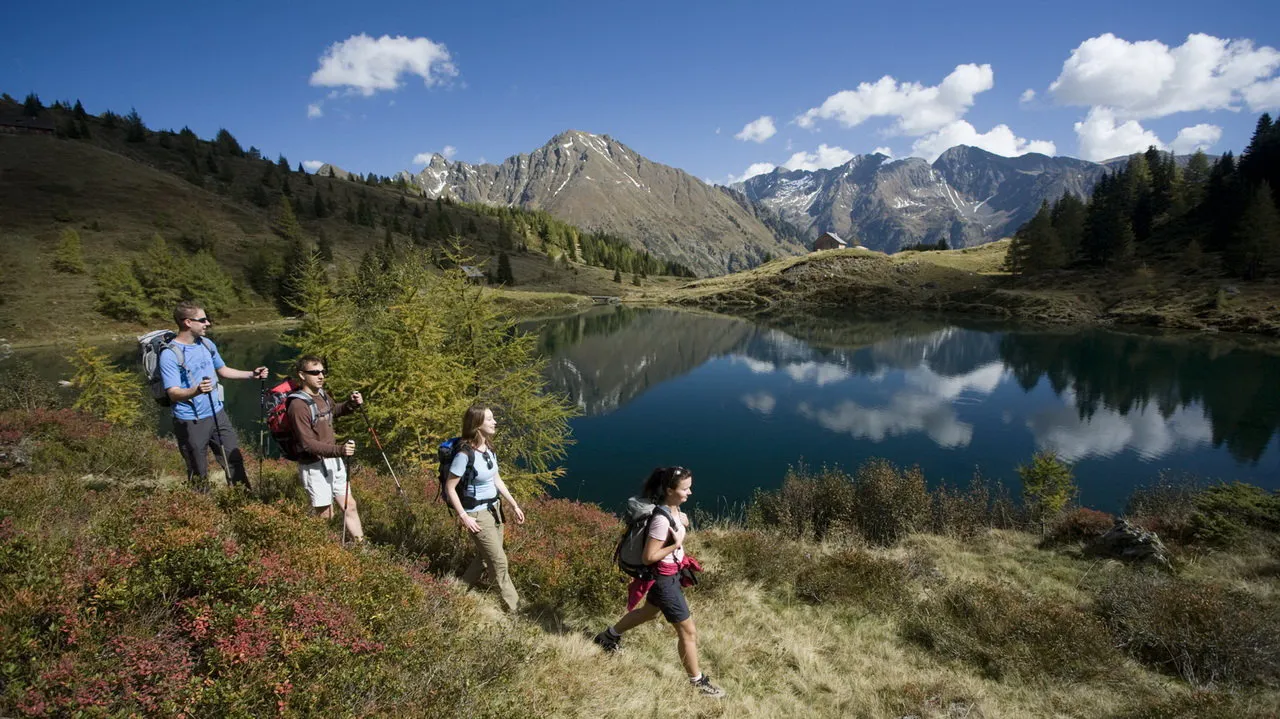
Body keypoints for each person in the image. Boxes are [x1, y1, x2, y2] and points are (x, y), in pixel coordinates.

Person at [593, 467, 726, 698]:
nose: (690, 492)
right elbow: (648, 557)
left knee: (649, 612)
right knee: (688, 632)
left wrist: (684, 523)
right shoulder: (660, 520)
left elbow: (676, 526)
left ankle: (608, 637)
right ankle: (698, 682)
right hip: (664, 579)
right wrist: (675, 545)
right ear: (669, 490)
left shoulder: (674, 509)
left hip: (670, 574)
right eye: (685, 489)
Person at [160, 301, 268, 491]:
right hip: (190, 421)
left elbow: (223, 370)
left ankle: (244, 504)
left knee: (234, 461)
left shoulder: (207, 344)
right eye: (202, 320)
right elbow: (173, 393)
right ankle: (202, 515)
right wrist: (197, 390)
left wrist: (252, 374)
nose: (207, 323)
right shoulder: (170, 354)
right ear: (187, 322)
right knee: (198, 471)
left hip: (218, 414)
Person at [443, 404, 525, 613]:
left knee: (485, 557)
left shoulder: (488, 448)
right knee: (499, 562)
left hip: (494, 510)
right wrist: (464, 516)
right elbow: (450, 487)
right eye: (489, 419)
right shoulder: (464, 454)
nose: (494, 422)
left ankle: (457, 592)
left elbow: (496, 478)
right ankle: (516, 610)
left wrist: (513, 504)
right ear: (477, 425)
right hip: (477, 515)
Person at [288, 355, 366, 543]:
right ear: (302, 375)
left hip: (334, 461)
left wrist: (350, 405)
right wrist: (340, 450)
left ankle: (362, 551)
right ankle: (324, 552)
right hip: (314, 465)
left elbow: (333, 411)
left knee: (350, 506)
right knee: (326, 515)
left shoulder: (322, 394)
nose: (321, 376)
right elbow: (307, 443)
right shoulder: (297, 406)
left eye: (323, 372)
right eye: (315, 372)